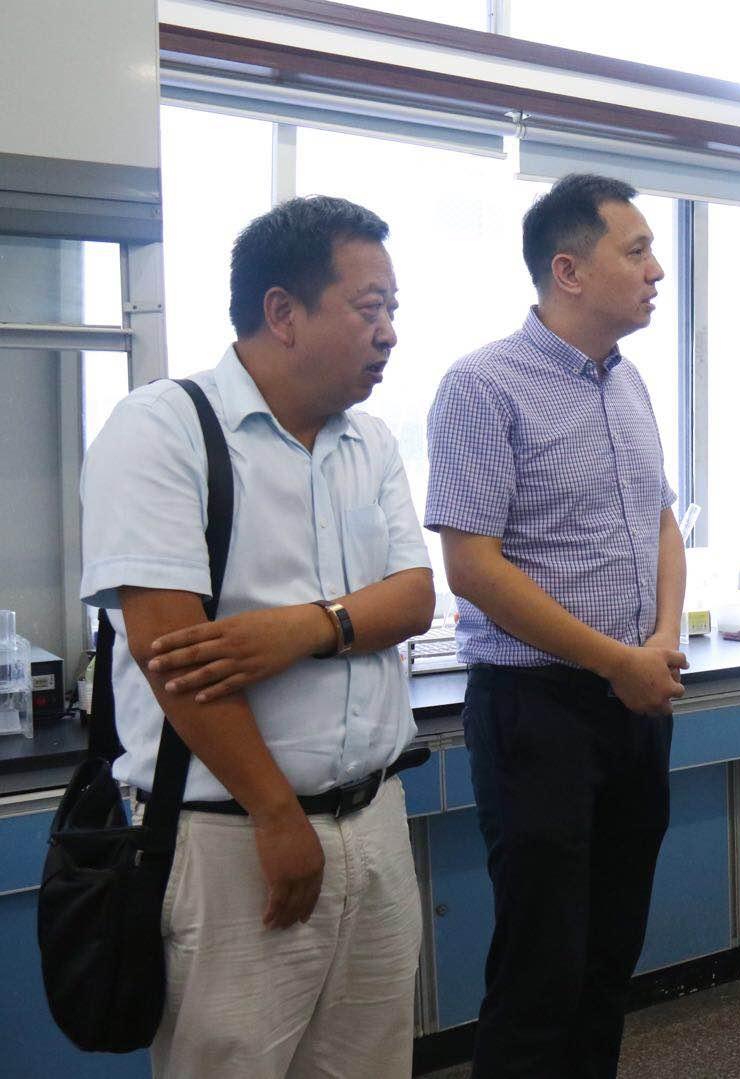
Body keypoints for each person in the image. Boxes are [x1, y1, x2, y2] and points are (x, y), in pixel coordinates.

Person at [79, 195, 436, 1076]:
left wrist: (303, 628)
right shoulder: (163, 428)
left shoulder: (370, 441)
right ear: (283, 311)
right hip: (230, 833)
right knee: (231, 1061)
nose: (389, 331)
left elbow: (413, 599)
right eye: (369, 307)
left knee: (371, 1063)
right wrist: (277, 814)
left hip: (374, 818)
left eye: (393, 308)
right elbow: (173, 654)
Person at [424, 173, 686, 1077]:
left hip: (636, 699)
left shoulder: (629, 382)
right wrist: (617, 659)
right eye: (636, 250)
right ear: (567, 270)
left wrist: (658, 638)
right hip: (536, 709)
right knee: (541, 970)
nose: (656, 270)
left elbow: (660, 521)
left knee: (609, 959)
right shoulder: (482, 385)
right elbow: (472, 567)